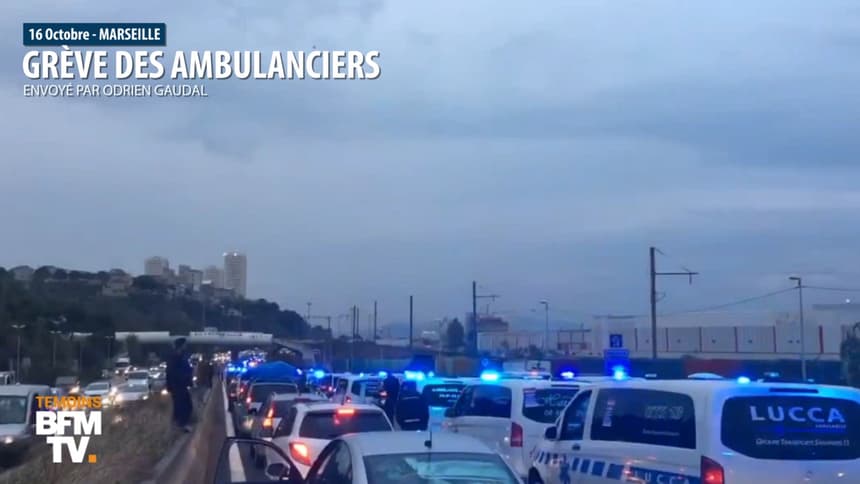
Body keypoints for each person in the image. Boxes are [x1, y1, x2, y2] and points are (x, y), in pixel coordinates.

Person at [166, 337, 193, 432]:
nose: (186, 346)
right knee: (184, 405)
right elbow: (172, 372)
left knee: (180, 405)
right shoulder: (176, 357)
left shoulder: (180, 356)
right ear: (181, 346)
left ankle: (176, 424)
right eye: (185, 345)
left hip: (179, 385)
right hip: (178, 385)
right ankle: (181, 425)